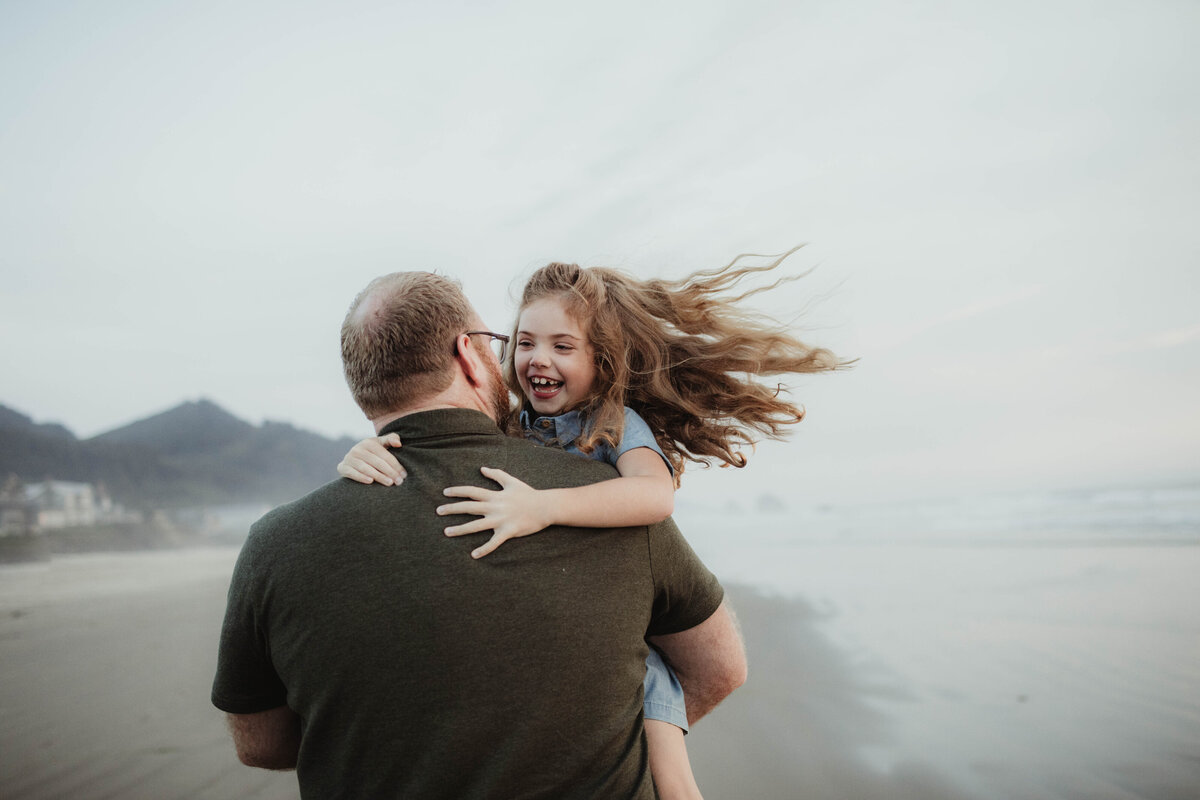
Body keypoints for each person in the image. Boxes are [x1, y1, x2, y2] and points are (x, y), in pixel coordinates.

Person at [211, 271, 747, 799]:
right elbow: (720, 670)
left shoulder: (274, 545)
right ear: (470, 356)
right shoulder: (612, 503)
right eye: (510, 344)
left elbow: (262, 745)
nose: (531, 360)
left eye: (561, 345)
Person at [337, 247, 847, 798]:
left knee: (672, 782)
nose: (537, 359)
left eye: (562, 346)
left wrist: (546, 506)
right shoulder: (512, 423)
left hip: (636, 641)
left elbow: (654, 496)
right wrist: (365, 450)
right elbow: (441, 439)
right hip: (553, 618)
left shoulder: (615, 422)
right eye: (526, 342)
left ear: (601, 361)